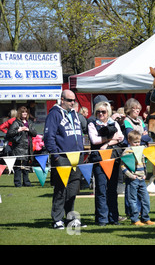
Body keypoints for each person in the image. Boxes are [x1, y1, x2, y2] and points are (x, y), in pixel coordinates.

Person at [44, 89, 85, 229]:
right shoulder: (54, 114)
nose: (72, 103)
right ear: (62, 100)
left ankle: (70, 218)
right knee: (61, 189)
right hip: (62, 157)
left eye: (74, 100)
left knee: (73, 190)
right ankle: (57, 219)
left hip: (76, 157)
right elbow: (49, 137)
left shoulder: (74, 114)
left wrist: (81, 153)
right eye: (69, 100)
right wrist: (55, 155)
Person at [88, 101, 124, 226]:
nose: (101, 114)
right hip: (98, 159)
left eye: (103, 111)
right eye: (98, 111)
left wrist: (107, 144)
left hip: (113, 158)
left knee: (112, 189)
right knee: (101, 189)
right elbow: (94, 140)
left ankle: (113, 217)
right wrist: (110, 138)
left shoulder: (113, 123)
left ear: (108, 112)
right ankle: (102, 218)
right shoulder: (92, 124)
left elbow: (121, 137)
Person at [121, 130, 155, 226]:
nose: (137, 144)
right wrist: (132, 176)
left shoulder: (141, 150)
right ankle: (135, 219)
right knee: (132, 200)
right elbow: (123, 167)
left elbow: (144, 163)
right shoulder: (127, 152)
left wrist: (145, 174)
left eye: (138, 142)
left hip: (142, 179)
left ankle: (145, 218)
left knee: (145, 199)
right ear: (129, 141)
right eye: (135, 142)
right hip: (132, 180)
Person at [6, 106, 37, 187]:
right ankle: (18, 183)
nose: (25, 113)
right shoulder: (16, 123)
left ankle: (26, 182)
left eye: (26, 112)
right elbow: (9, 134)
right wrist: (18, 130)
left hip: (28, 147)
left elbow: (35, 133)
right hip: (18, 147)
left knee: (26, 167)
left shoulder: (29, 122)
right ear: (20, 113)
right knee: (18, 167)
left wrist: (28, 130)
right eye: (23, 112)